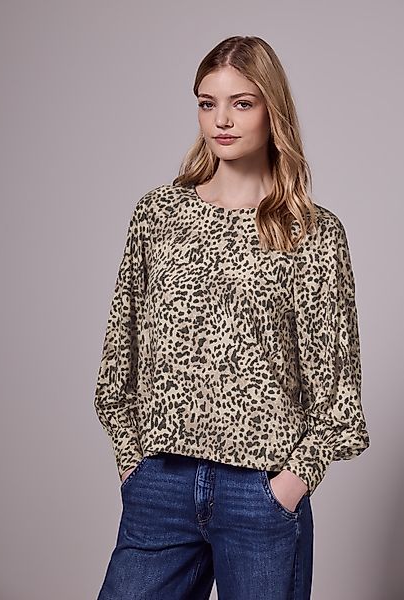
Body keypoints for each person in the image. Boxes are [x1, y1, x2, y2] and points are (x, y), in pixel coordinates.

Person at [94, 35, 370, 600]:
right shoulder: (158, 215)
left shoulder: (312, 232)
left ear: (273, 109)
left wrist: (288, 486)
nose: (221, 120)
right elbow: (119, 355)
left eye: (241, 103)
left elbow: (337, 389)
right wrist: (132, 463)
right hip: (161, 485)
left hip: (261, 493)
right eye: (207, 103)